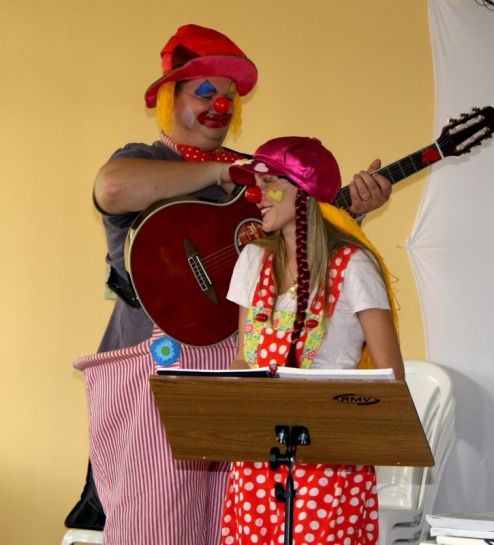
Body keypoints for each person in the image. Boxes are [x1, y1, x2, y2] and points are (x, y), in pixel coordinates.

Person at [65, 24, 394, 545]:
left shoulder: (258, 176)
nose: (219, 105)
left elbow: (297, 237)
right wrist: (220, 173)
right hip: (154, 362)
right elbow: (111, 187)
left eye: (229, 96)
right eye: (205, 92)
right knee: (155, 520)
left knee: (237, 517)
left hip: (236, 358)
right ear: (169, 98)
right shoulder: (149, 159)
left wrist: (346, 212)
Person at [220, 136, 404, 545]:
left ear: (303, 193)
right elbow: (242, 359)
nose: (257, 197)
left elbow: (392, 380)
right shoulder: (252, 259)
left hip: (329, 462)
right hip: (257, 461)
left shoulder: (354, 266)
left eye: (268, 186)